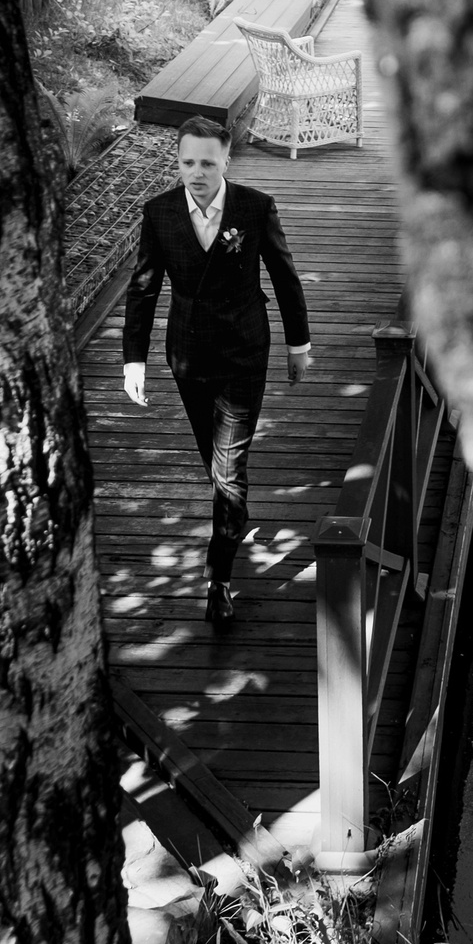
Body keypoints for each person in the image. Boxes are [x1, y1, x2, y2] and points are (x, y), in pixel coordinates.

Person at [121, 115, 312, 627]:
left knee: (228, 469)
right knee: (214, 460)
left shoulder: (254, 207)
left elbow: (285, 277)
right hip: (186, 353)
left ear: (227, 159)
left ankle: (219, 577)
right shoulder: (159, 213)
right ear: (178, 163)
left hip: (244, 349)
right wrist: (133, 358)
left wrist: (299, 344)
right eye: (188, 162)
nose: (197, 172)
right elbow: (143, 289)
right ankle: (235, 520)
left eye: (208, 162)